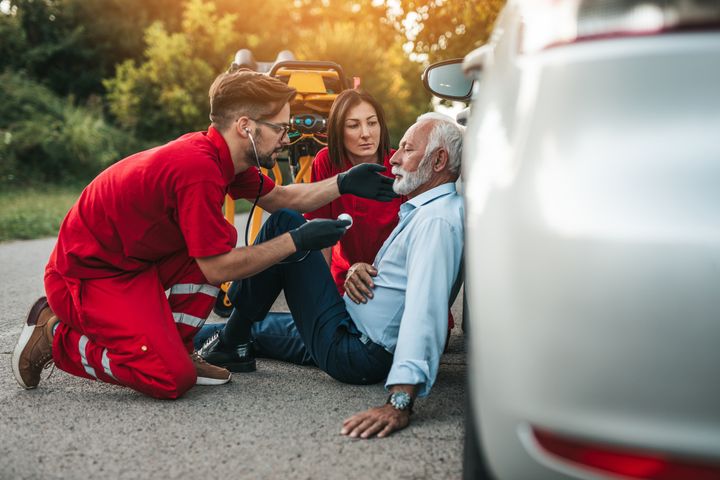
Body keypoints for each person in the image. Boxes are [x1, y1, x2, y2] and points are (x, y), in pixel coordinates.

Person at [11, 68, 398, 400]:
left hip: (135, 264)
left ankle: (180, 348)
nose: (286, 138)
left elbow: (281, 197)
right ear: (246, 127)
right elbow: (217, 269)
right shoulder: (197, 171)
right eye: (280, 128)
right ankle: (57, 335)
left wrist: (345, 182)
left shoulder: (226, 158)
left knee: (218, 238)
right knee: (168, 378)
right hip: (89, 275)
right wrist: (297, 241)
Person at [199, 113, 464, 438]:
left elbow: (426, 311)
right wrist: (357, 269)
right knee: (244, 329)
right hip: (349, 326)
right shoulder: (430, 211)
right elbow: (399, 286)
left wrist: (399, 401)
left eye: (407, 149)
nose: (393, 157)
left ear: (439, 160)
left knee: (284, 222)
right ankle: (181, 339)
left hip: (356, 350)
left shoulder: (437, 222)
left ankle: (230, 342)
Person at [194, 89, 405, 363]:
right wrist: (322, 302)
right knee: (224, 331)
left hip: (382, 299)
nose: (366, 133)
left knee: (244, 329)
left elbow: (414, 245)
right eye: (353, 125)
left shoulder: (400, 166)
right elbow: (320, 244)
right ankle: (219, 339)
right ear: (338, 131)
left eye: (372, 122)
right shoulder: (327, 161)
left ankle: (228, 340)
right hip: (346, 294)